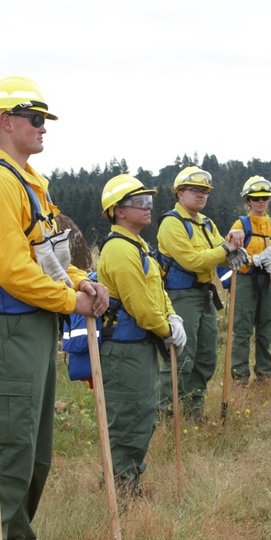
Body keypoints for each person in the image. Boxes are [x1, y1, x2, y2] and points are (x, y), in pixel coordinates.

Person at [0, 76, 108, 540]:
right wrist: (72, 302)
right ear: (4, 122)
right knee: (6, 455)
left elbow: (47, 257)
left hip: (38, 324)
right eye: (33, 117)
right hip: (11, 328)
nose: (43, 127)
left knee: (35, 454)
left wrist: (79, 281)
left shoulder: (30, 184)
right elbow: (14, 272)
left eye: (44, 119)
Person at [97, 174, 184, 494]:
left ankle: (126, 482)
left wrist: (172, 316)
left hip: (139, 347)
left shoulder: (139, 247)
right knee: (128, 422)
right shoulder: (120, 250)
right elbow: (139, 305)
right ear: (118, 211)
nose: (148, 207)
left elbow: (156, 291)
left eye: (149, 201)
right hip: (124, 349)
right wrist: (165, 330)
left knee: (143, 417)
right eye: (139, 202)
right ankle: (120, 488)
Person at [156, 167, 249, 420]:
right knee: (182, 356)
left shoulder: (206, 223)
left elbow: (222, 252)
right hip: (181, 296)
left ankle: (193, 410)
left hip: (206, 296)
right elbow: (192, 261)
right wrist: (226, 248)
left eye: (205, 191)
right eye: (195, 190)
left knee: (206, 357)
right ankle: (167, 413)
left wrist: (235, 252)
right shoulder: (171, 224)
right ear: (179, 193)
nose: (201, 195)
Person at [228, 176, 271, 383]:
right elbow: (230, 255)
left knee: (267, 327)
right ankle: (239, 377)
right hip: (245, 281)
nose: (260, 202)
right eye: (255, 199)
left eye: (265, 198)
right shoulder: (240, 224)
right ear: (248, 200)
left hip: (270, 281)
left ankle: (265, 373)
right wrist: (253, 260)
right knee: (242, 330)